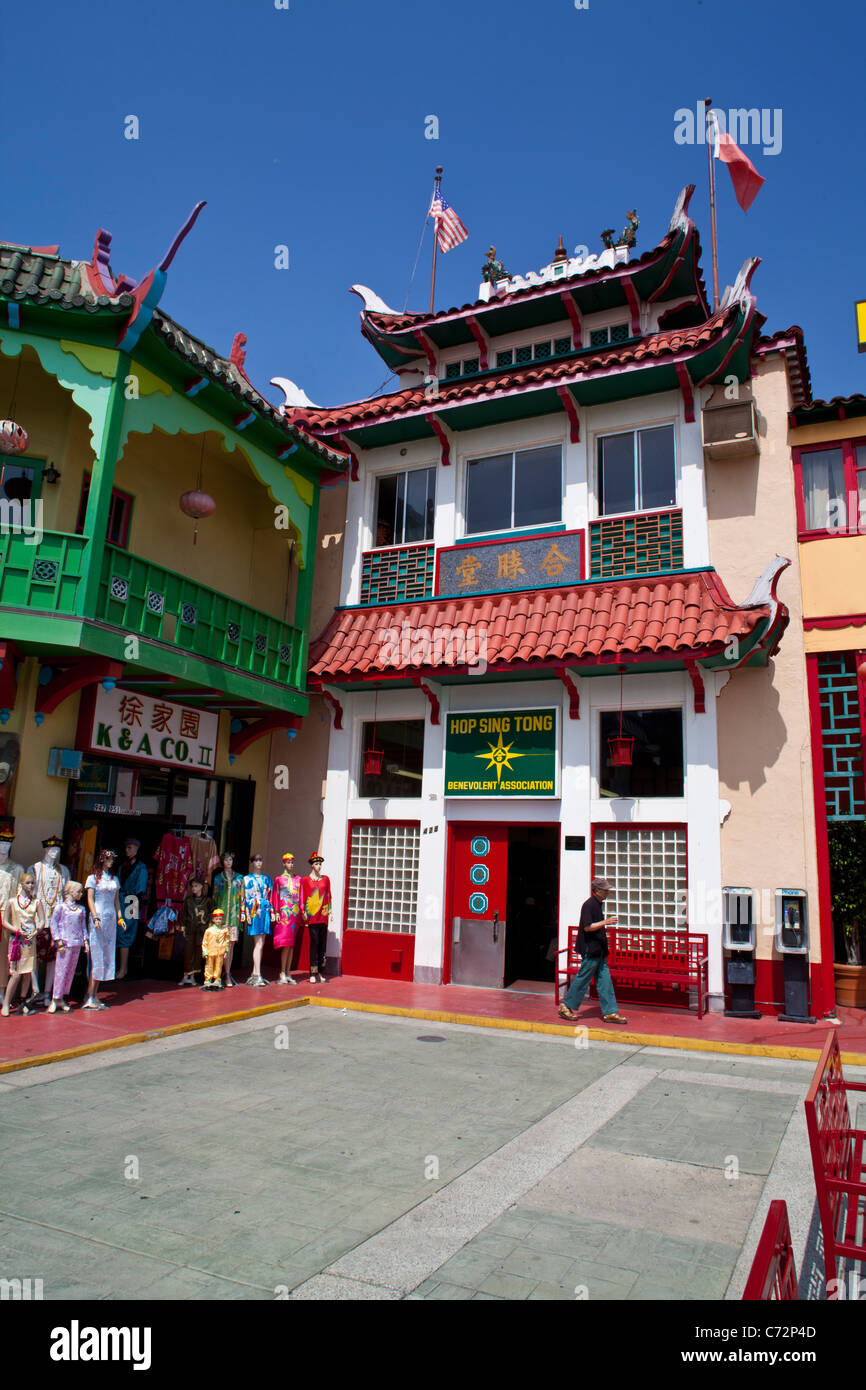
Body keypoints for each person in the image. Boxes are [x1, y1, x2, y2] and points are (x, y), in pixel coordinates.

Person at [557, 877, 628, 1025]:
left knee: (605, 981)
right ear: (596, 891)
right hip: (592, 949)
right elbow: (587, 927)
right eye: (604, 890)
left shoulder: (597, 904)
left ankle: (610, 1012)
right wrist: (606, 922)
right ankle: (566, 1006)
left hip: (599, 950)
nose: (607, 892)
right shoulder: (589, 905)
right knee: (583, 978)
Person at [84, 850, 124, 1010]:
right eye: (108, 859)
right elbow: (90, 899)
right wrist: (94, 916)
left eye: (112, 859)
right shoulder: (92, 878)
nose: (111, 862)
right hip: (98, 918)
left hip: (110, 919)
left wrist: (120, 918)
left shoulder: (114, 879)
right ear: (101, 860)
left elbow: (117, 901)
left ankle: (95, 994)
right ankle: (89, 994)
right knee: (96, 956)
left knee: (106, 955)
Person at [1, 871, 45, 1016]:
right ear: (21, 884)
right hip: (16, 941)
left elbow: (42, 920)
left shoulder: (36, 902)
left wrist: (37, 930)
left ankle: (23, 1001)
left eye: (32, 883)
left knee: (27, 972)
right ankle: (6, 1003)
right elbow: (5, 922)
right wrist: (16, 930)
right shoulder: (12, 902)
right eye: (27, 883)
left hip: (30, 941)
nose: (30, 885)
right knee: (15, 974)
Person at [48, 881, 88, 1012]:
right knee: (61, 970)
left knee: (70, 971)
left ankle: (62, 997)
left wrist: (85, 941)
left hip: (76, 943)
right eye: (78, 891)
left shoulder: (81, 909)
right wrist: (58, 940)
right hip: (65, 943)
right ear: (70, 892)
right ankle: (55, 997)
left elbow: (83, 926)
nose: (81, 894)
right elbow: (53, 923)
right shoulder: (61, 907)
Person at [211, 851, 247, 987]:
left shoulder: (239, 878)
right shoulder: (218, 878)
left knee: (230, 946)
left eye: (230, 860)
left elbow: (242, 897)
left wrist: (242, 912)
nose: (228, 862)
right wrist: (214, 915)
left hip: (233, 916)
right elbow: (215, 898)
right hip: (221, 916)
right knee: (220, 946)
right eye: (226, 860)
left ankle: (227, 973)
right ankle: (217, 974)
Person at [117, 838, 147, 980]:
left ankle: (123, 968)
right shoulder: (122, 866)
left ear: (136, 849)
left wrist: (135, 899)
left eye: (130, 848)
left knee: (127, 932)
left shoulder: (141, 867)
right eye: (126, 848)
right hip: (120, 898)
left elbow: (141, 888)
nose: (127, 851)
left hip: (132, 900)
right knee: (118, 930)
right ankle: (120, 966)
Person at [271, 852, 302, 985]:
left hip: (295, 915)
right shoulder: (279, 879)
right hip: (284, 915)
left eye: (292, 862)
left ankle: (288, 972)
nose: (290, 864)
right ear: (283, 863)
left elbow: (301, 896)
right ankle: (282, 972)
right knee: (285, 943)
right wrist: (276, 911)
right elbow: (275, 896)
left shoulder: (298, 879)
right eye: (288, 862)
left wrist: (302, 911)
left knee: (291, 944)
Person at [301, 853, 331, 985]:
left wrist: (330, 909)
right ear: (312, 865)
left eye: (320, 864)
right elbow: (302, 896)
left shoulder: (326, 879)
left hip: (323, 915)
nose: (319, 866)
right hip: (312, 915)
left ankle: (319, 971)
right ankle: (312, 972)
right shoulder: (305, 880)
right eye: (317, 864)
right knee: (314, 942)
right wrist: (303, 911)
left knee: (322, 944)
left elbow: (329, 895)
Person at [244, 854, 272, 987]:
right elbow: (244, 898)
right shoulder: (247, 879)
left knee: (262, 941)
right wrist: (246, 914)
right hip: (254, 910)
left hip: (265, 910)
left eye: (261, 860)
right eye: (256, 860)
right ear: (252, 863)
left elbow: (271, 897)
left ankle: (255, 972)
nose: (259, 863)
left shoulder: (267, 879)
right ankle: (257, 974)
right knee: (258, 942)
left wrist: (272, 912)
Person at [179, 878, 210, 986]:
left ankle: (193, 976)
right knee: (188, 952)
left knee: (198, 952)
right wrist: (183, 926)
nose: (194, 888)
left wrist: (209, 928)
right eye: (192, 886)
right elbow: (184, 915)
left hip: (202, 931)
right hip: (190, 929)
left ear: (201, 886)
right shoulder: (188, 901)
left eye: (196, 886)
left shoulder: (207, 901)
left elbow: (210, 915)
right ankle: (185, 975)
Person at [201, 908, 230, 990]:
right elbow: (204, 942)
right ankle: (208, 979)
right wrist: (205, 951)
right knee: (209, 966)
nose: (218, 921)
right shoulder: (209, 931)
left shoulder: (224, 930)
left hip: (220, 952)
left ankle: (217, 979)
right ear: (213, 919)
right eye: (216, 919)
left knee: (218, 966)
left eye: (220, 919)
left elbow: (227, 941)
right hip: (210, 951)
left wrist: (226, 950)